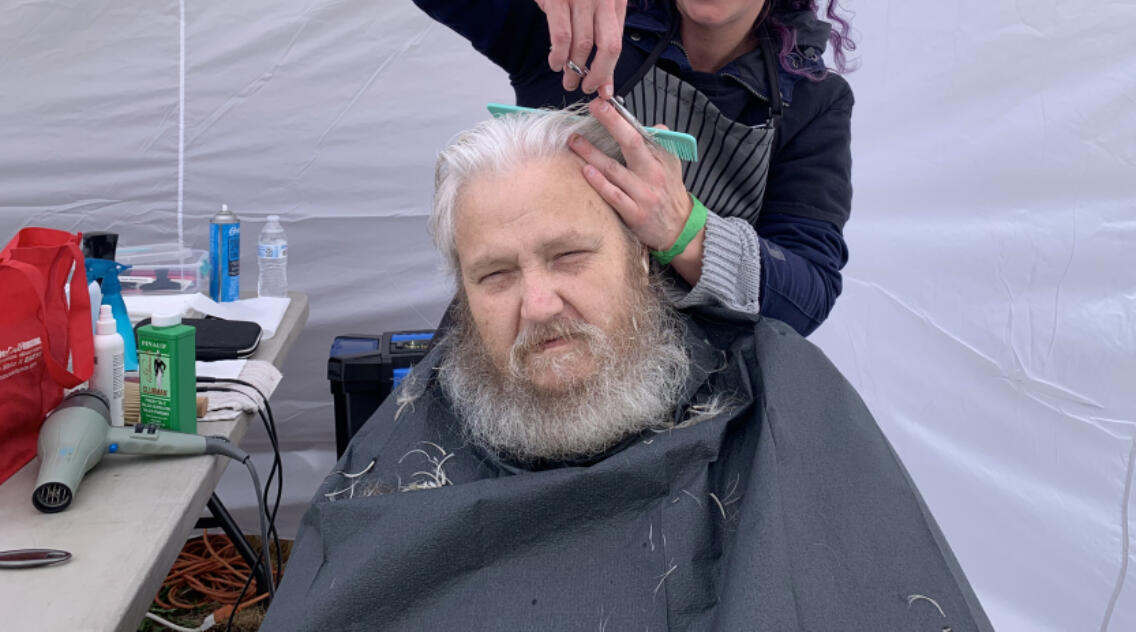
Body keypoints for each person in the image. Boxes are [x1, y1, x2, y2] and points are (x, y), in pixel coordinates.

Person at [261, 109, 993, 632]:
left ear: (642, 251)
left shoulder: (773, 394)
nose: (540, 303)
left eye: (570, 256)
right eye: (495, 276)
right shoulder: (411, 442)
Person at [371, 0, 853, 337]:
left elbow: (808, 293)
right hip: (531, 345)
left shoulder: (811, 98)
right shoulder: (580, 14)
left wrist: (683, 227)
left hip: (698, 387)